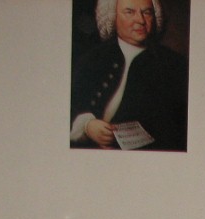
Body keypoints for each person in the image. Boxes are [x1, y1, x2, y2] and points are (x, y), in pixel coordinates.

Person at [70, 0, 189, 151]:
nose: (140, 20)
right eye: (129, 12)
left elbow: (177, 129)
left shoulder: (175, 64)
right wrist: (87, 126)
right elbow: (69, 108)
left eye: (147, 12)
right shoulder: (92, 59)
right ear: (113, 17)